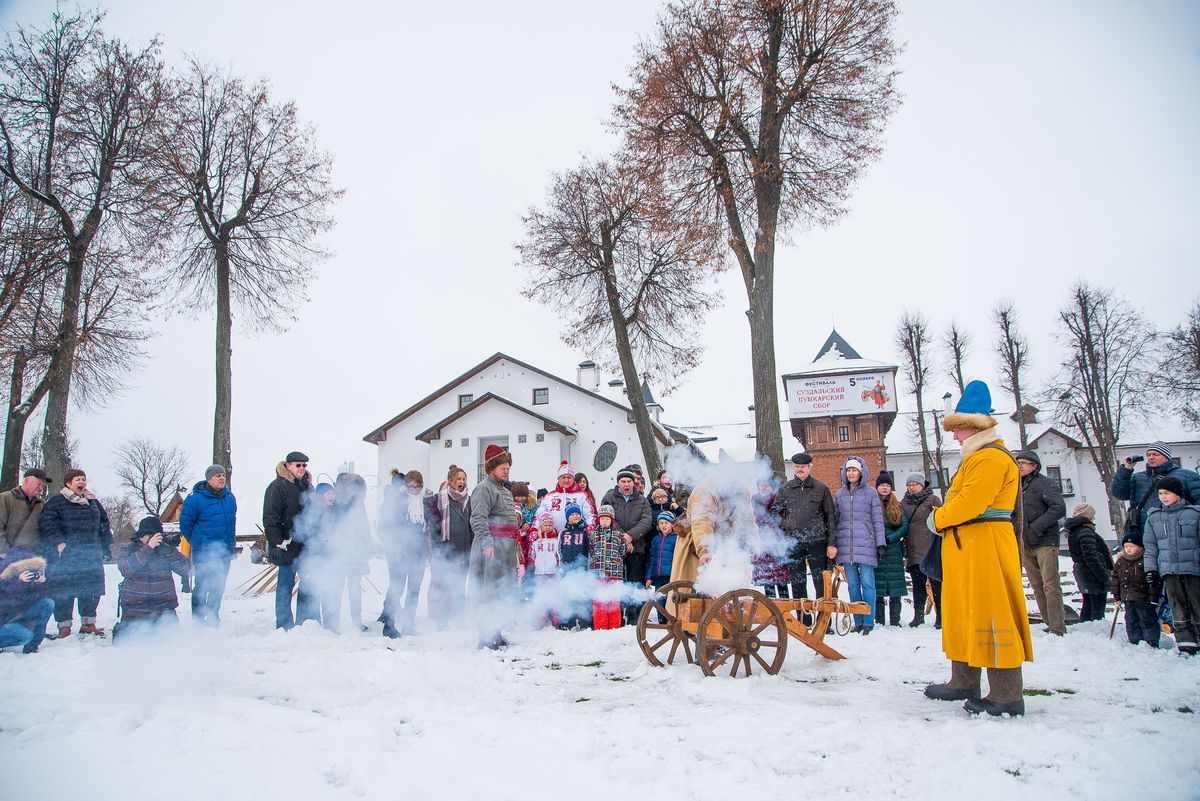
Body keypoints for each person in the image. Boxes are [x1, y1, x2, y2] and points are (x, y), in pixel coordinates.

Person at [923, 380, 1033, 717]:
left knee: (991, 612)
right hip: (967, 546)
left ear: (975, 426)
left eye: (958, 429)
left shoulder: (990, 458)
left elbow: (969, 502)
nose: (955, 436)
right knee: (964, 612)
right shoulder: (975, 458)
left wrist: (937, 519)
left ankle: (1006, 694)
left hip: (985, 545)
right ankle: (963, 682)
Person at [38, 469, 112, 638]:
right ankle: (64, 626)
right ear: (68, 483)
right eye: (77, 479)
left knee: (91, 588)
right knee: (64, 590)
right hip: (65, 554)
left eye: (83, 479)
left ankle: (88, 623)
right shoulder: (57, 502)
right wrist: (59, 542)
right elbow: (47, 523)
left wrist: (105, 544)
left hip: (91, 552)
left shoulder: (93, 502)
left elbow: (104, 522)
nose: (82, 482)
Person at [468, 444, 523, 649]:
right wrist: (487, 542)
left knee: (501, 592)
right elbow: (478, 518)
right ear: (491, 468)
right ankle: (486, 637)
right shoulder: (484, 488)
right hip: (490, 549)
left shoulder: (505, 491)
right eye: (502, 468)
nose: (506, 471)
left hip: (505, 551)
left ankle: (496, 632)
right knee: (488, 592)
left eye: (508, 467)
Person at [1143, 476, 1200, 656]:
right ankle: (1186, 644)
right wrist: (1151, 569)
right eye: (1160, 493)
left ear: (1178, 493)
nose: (1163, 497)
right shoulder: (1154, 517)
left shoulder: (1194, 513)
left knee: (1197, 605)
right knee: (1177, 608)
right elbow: (1151, 547)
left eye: (1167, 493)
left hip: (1193, 569)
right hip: (1169, 571)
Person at [113, 517, 192, 644]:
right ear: (141, 536)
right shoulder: (129, 549)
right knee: (128, 646)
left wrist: (170, 553)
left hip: (164, 611)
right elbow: (126, 569)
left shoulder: (165, 550)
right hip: (135, 611)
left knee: (174, 646)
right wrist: (148, 548)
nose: (154, 539)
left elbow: (187, 570)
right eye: (150, 536)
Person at [830, 456, 885, 634]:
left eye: (854, 470)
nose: (851, 473)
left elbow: (878, 520)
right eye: (848, 470)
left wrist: (880, 543)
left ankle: (868, 620)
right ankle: (858, 620)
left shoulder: (870, 493)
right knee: (853, 585)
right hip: (846, 546)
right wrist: (832, 542)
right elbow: (834, 520)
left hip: (866, 544)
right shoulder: (840, 495)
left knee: (868, 583)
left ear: (861, 473)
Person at [1015, 450, 1067, 636]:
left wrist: (1036, 527)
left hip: (1045, 540)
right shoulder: (1016, 486)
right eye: (1018, 462)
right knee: (1036, 585)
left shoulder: (1045, 483)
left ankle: (1057, 626)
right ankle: (1048, 621)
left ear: (1034, 466)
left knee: (1050, 584)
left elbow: (1058, 508)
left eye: (1023, 462)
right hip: (1025, 542)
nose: (1020, 466)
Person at [179, 465, 237, 628]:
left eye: (223, 475)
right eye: (218, 475)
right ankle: (198, 621)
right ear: (209, 478)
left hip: (224, 551)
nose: (222, 478)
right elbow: (185, 524)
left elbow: (232, 522)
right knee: (202, 587)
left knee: (218, 586)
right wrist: (197, 541)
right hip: (205, 552)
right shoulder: (195, 498)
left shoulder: (229, 498)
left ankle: (212, 617)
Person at [775, 453, 836, 609]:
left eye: (803, 467)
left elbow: (831, 517)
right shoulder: (785, 489)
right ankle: (803, 619)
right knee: (798, 584)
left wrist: (831, 543)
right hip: (794, 542)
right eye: (797, 466)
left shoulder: (821, 488)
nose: (799, 469)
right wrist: (787, 525)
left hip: (817, 541)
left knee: (820, 583)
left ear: (809, 468)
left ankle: (824, 619)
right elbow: (774, 514)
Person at [379, 469, 433, 638]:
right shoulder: (397, 501)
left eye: (418, 487)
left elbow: (433, 522)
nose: (415, 490)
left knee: (414, 590)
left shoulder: (426, 501)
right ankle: (389, 625)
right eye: (411, 487)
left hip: (419, 552)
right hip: (400, 552)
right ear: (405, 486)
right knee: (397, 588)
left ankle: (409, 624)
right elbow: (387, 526)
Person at [263, 451, 312, 630]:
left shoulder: (308, 486)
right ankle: (284, 624)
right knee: (285, 586)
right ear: (288, 466)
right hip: (287, 544)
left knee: (308, 584)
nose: (302, 468)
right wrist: (276, 542)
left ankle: (305, 622)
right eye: (298, 465)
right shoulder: (277, 486)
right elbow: (270, 517)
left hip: (306, 545)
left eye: (304, 465)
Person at [1111, 442, 1200, 534]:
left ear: (1166, 457)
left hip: (1174, 532)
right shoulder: (1137, 478)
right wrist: (1126, 469)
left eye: (1155, 454)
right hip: (1142, 532)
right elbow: (1119, 494)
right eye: (1148, 455)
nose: (1151, 457)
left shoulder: (1187, 476)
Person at [600, 467, 651, 623]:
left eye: (629, 481)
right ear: (618, 483)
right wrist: (623, 538)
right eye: (623, 481)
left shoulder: (642, 500)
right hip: (614, 548)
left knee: (635, 582)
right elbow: (607, 518)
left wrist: (631, 536)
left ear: (634, 483)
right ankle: (617, 616)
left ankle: (635, 617)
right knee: (616, 582)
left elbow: (646, 521)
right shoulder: (609, 498)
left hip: (637, 547)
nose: (626, 484)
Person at [427, 465, 472, 630]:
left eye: (464, 479)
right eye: (458, 478)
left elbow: (471, 524)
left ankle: (459, 618)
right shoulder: (439, 498)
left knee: (460, 586)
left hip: (464, 549)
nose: (461, 481)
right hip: (445, 550)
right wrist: (438, 550)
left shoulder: (468, 499)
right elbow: (433, 526)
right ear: (450, 480)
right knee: (444, 586)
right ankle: (442, 620)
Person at [327, 473, 371, 633]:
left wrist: (368, 543)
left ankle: (357, 621)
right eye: (350, 486)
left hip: (356, 552)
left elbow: (364, 525)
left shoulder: (359, 503)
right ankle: (333, 622)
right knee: (336, 587)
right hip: (339, 551)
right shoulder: (336, 502)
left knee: (355, 588)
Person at [900, 473, 942, 628]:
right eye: (909, 485)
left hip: (931, 549)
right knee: (918, 585)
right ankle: (918, 616)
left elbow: (941, 519)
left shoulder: (933, 500)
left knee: (936, 585)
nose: (912, 487)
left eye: (915, 484)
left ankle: (941, 616)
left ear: (922, 486)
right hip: (913, 550)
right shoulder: (904, 502)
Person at [1111, 530, 1161, 647]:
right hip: (1128, 598)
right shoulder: (1121, 561)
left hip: (1143, 598)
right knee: (1131, 620)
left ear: (1140, 547)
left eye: (1131, 546)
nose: (1128, 549)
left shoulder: (1145, 560)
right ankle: (1135, 641)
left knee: (1147, 619)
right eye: (1126, 546)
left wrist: (1153, 597)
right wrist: (1117, 596)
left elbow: (1153, 582)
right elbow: (1116, 580)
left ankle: (1151, 641)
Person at [1064, 502, 1112, 623]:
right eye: (1092, 515)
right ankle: (1096, 629)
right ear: (1088, 516)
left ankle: (1086, 628)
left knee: (1088, 604)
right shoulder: (1085, 532)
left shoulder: (1074, 531)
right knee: (1097, 607)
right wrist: (1103, 576)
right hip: (1092, 574)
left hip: (1083, 573)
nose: (1094, 518)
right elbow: (1091, 556)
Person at [0, 545, 53, 653]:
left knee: (48, 603)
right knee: (25, 636)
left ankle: (33, 645)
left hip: (16, 616)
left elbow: (34, 599)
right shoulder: (4, 577)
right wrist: (19, 582)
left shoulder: (29, 579)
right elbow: (7, 603)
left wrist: (40, 584)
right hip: (4, 619)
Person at [874, 472, 909, 627]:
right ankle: (879, 619)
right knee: (878, 584)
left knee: (896, 585)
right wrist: (879, 540)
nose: (885, 488)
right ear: (877, 487)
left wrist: (892, 537)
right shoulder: (872, 504)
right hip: (877, 548)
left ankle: (895, 619)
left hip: (894, 548)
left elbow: (904, 526)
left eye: (888, 485)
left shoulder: (897, 505)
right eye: (882, 485)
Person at [589, 505, 626, 630]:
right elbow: (590, 551)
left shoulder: (618, 535)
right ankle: (601, 628)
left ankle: (614, 627)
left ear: (612, 520)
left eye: (607, 519)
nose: (604, 521)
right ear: (598, 520)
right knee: (599, 601)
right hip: (598, 574)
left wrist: (615, 562)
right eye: (602, 518)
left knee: (614, 601)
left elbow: (623, 551)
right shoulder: (593, 535)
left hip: (614, 574)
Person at [751, 480, 790, 598]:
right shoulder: (755, 500)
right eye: (761, 485)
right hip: (762, 543)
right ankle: (770, 604)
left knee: (781, 579)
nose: (763, 487)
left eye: (766, 485)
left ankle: (784, 605)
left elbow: (785, 519)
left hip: (778, 543)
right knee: (767, 580)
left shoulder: (779, 499)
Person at [536, 462, 597, 533]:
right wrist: (534, 530)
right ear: (558, 479)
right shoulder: (548, 497)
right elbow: (539, 516)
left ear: (573, 479)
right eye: (563, 477)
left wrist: (590, 528)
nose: (566, 480)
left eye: (569, 477)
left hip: (576, 536)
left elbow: (590, 516)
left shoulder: (582, 496)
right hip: (553, 537)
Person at [1, 467, 48, 557]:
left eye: (43, 485)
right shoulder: (5, 498)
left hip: (32, 557)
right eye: (39, 484)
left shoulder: (42, 504)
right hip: (6, 556)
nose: (41, 488)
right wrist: (4, 551)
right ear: (26, 480)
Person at [558, 501, 590, 630]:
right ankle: (567, 622)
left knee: (582, 595)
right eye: (572, 514)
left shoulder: (585, 532)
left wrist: (587, 566)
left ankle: (584, 622)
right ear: (567, 517)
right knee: (568, 595)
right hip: (567, 569)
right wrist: (561, 566)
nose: (575, 516)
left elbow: (589, 550)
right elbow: (558, 550)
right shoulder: (563, 533)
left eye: (577, 514)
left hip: (581, 569)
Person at [529, 514, 561, 628]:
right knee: (540, 597)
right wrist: (536, 564)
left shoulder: (556, 541)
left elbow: (559, 556)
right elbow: (532, 556)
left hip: (552, 573)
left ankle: (556, 621)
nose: (547, 527)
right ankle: (540, 621)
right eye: (545, 525)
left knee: (553, 597)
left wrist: (558, 567)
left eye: (549, 525)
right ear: (540, 527)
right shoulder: (536, 542)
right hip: (539, 574)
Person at [645, 511, 678, 590]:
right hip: (658, 576)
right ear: (658, 526)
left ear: (672, 524)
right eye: (661, 523)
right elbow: (652, 560)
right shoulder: (655, 540)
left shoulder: (677, 539)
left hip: (671, 576)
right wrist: (649, 577)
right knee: (659, 596)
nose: (664, 525)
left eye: (666, 523)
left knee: (670, 596)